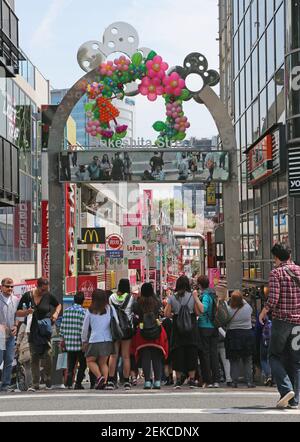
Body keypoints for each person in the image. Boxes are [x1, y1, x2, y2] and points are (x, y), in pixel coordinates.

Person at [259, 244, 300, 410]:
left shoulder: (276, 273)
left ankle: (286, 389)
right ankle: (294, 399)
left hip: (282, 321)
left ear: (276, 257)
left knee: (274, 356)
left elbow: (274, 299)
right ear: (289, 256)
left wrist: (263, 311)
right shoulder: (299, 270)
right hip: (298, 323)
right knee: (296, 362)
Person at [16, 278, 62, 391]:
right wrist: (27, 312)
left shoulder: (48, 296)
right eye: (42, 289)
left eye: (46, 289)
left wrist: (55, 314)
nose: (44, 292)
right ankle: (35, 384)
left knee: (48, 354)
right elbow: (18, 311)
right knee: (34, 357)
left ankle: (47, 377)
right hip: (32, 329)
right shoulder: (27, 296)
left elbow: (58, 305)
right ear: (37, 286)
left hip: (45, 330)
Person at [164, 276, 203, 389]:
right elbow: (198, 312)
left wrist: (175, 315)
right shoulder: (192, 296)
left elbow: (166, 314)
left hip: (177, 328)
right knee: (192, 352)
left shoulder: (172, 297)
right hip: (191, 328)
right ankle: (191, 379)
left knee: (178, 353)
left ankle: (178, 380)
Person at [131, 283, 168, 390]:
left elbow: (135, 316)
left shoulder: (138, 303)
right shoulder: (157, 302)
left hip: (142, 333)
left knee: (145, 357)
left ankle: (147, 381)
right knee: (156, 357)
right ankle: (157, 381)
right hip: (156, 332)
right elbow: (161, 314)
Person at [81, 290, 118, 390]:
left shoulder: (90, 310)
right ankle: (104, 382)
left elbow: (85, 327)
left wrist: (84, 340)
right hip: (108, 339)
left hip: (94, 339)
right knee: (103, 363)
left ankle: (99, 377)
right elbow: (116, 322)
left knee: (89, 361)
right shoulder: (110, 308)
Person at [225, 291, 256, 389]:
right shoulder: (247, 308)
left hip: (233, 335)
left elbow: (224, 319)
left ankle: (234, 381)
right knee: (247, 360)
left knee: (234, 360)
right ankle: (249, 381)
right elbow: (246, 304)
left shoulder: (229, 309)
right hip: (247, 334)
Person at [107, 279, 134, 390]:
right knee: (126, 356)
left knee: (114, 355)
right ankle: (126, 381)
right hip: (127, 329)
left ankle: (111, 381)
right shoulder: (130, 298)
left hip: (114, 328)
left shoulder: (111, 297)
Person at [196, 276, 221, 388]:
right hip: (214, 327)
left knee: (205, 354)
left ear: (200, 285)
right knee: (214, 353)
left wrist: (196, 298)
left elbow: (203, 309)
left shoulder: (205, 295)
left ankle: (208, 380)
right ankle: (216, 379)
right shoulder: (213, 294)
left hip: (204, 326)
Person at [60, 292, 87, 390]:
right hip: (80, 343)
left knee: (70, 364)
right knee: (83, 364)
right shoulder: (84, 312)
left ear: (74, 300)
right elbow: (85, 329)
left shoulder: (66, 311)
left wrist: (62, 340)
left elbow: (62, 328)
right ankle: (78, 383)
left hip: (69, 343)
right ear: (82, 301)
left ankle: (69, 383)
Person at [0, 278, 19, 391]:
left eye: (12, 286)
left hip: (11, 336)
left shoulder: (16, 300)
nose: (10, 289)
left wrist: (16, 326)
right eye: (7, 286)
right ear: (1, 287)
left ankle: (5, 385)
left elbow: (18, 316)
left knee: (9, 360)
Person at [15, 322, 32, 391]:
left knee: (27, 368)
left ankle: (29, 386)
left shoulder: (24, 324)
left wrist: (17, 347)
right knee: (35, 367)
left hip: (26, 348)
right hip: (36, 347)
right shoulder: (38, 321)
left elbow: (19, 336)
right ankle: (35, 384)